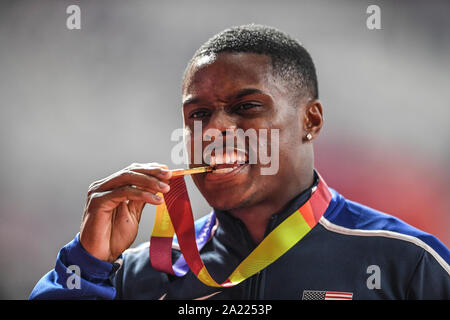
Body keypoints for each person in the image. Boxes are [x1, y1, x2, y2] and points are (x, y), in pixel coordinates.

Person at [29, 24, 449, 300]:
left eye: (246, 106)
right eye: (198, 115)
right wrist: (86, 269)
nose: (212, 132)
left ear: (311, 120)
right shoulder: (139, 275)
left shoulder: (406, 264)